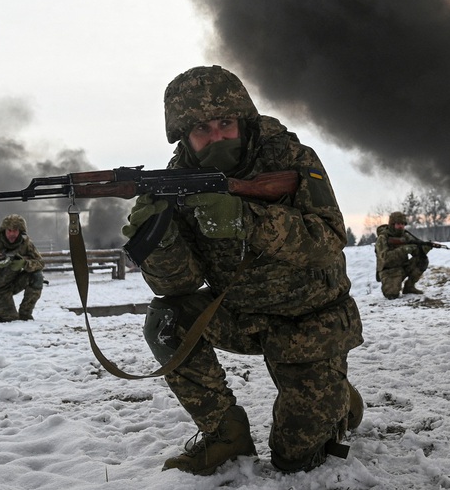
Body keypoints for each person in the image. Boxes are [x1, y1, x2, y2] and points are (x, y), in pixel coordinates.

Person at [121, 65, 363, 476]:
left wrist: (244, 219)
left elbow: (327, 241)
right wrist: (157, 238)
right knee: (167, 319)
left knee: (295, 461)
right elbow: (179, 284)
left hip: (309, 322)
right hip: (240, 316)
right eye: (201, 130)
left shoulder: (289, 157)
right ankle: (225, 434)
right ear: (184, 136)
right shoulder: (177, 180)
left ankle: (337, 396)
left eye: (225, 123)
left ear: (243, 119)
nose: (216, 137)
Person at [374, 211, 430, 299]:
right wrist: (404, 249)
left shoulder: (405, 235)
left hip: (403, 267)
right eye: (398, 224)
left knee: (422, 260)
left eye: (403, 224)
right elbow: (385, 259)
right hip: (389, 271)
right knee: (392, 295)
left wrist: (424, 248)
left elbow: (416, 252)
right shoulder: (383, 238)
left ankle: (409, 287)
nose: (401, 226)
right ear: (392, 224)